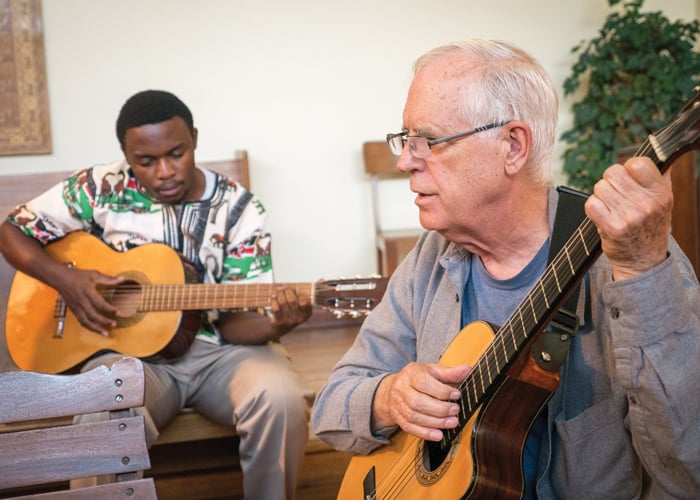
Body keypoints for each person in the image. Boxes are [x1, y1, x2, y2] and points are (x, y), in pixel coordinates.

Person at [311, 39, 700, 498]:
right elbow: (329, 409)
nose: (404, 161)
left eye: (428, 141)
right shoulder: (431, 258)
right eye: (406, 139)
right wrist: (389, 397)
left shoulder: (632, 256)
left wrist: (641, 272)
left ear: (512, 146)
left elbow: (688, 468)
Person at [0, 89, 313, 499]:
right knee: (99, 413)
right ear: (127, 156)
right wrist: (66, 281)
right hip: (130, 357)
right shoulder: (100, 187)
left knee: (283, 399)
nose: (165, 171)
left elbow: (237, 326)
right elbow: (12, 230)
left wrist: (277, 324)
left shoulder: (239, 209)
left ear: (195, 139)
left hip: (221, 353)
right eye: (146, 162)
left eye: (176, 153)